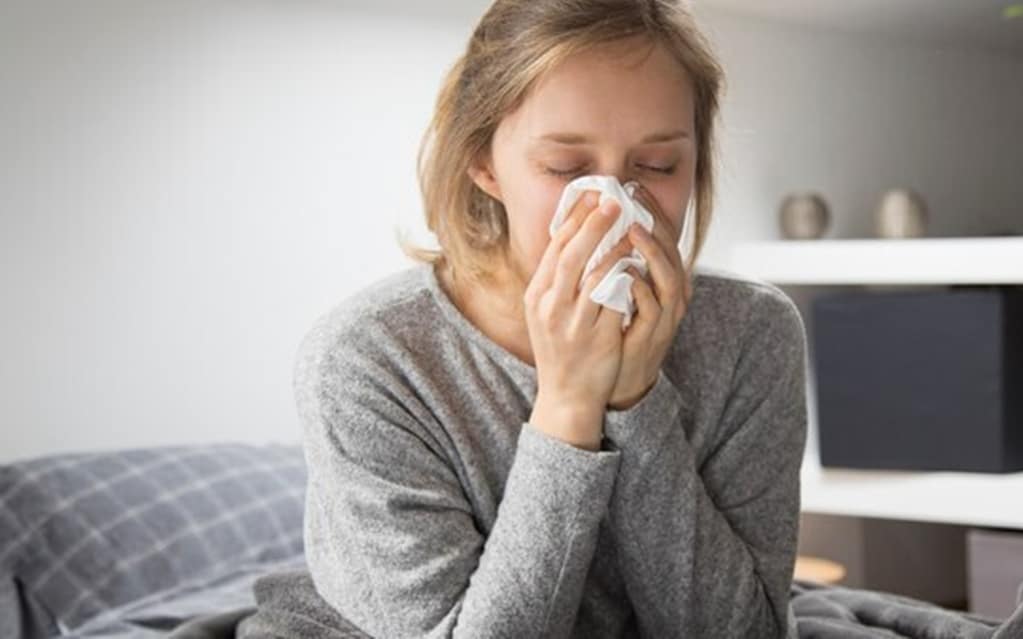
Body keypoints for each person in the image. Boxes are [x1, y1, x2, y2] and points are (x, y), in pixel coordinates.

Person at [240, 1, 808, 637]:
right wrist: (569, 404)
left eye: (658, 166)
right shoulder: (368, 362)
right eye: (564, 168)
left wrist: (637, 402)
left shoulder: (753, 332)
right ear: (484, 162)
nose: (617, 205)